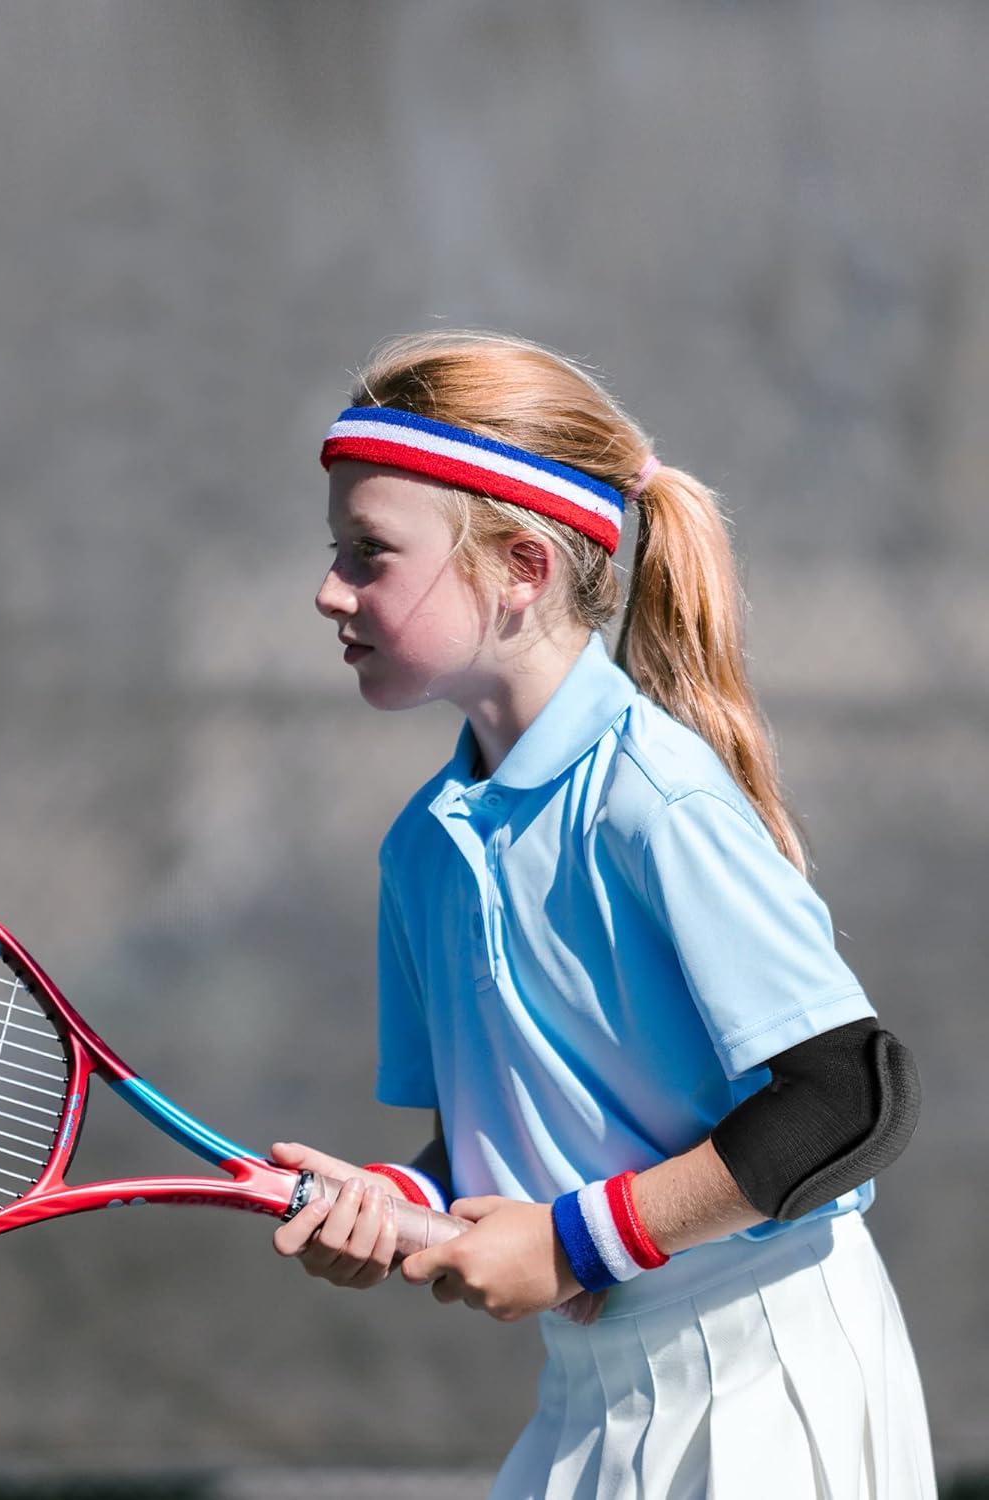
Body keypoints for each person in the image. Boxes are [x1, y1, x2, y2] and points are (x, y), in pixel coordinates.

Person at [271, 329, 935, 1497]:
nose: (331, 589)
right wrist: (404, 1203)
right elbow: (514, 1134)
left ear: (522, 569)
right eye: (337, 549)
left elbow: (852, 1097)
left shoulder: (655, 798)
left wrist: (574, 1243)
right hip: (591, 1390)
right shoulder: (422, 847)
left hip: (770, 1376)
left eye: (371, 553)